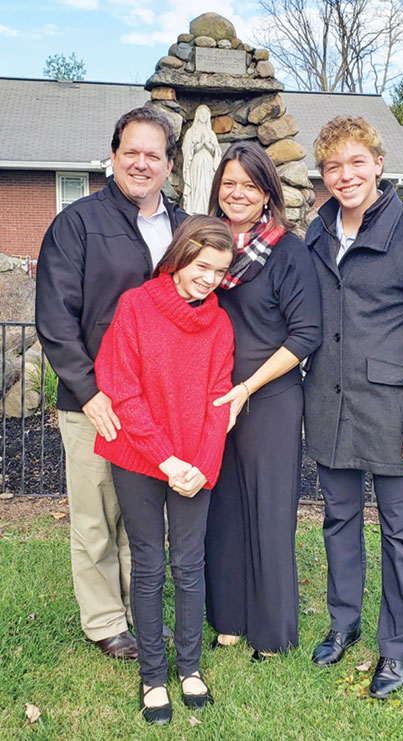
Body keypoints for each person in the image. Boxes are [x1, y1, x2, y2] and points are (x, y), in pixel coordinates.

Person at [303, 116, 403, 698]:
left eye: (355, 163)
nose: (345, 176)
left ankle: (394, 649)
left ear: (378, 164)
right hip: (329, 406)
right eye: (333, 167)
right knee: (338, 521)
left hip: (394, 416)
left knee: (399, 533)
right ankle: (344, 624)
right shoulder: (316, 234)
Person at [35, 107, 187, 659]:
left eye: (153, 154)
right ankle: (104, 621)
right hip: (95, 402)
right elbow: (55, 320)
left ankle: (139, 608)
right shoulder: (76, 224)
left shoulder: (183, 226)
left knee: (141, 517)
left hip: (156, 403)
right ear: (113, 157)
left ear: (169, 164)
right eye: (132, 153)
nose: (141, 164)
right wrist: (89, 390)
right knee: (97, 516)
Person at [94, 215, 235, 724]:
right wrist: (165, 457)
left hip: (194, 464)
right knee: (150, 564)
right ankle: (154, 675)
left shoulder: (219, 323)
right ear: (179, 257)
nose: (210, 278)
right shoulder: (135, 306)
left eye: (220, 271)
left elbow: (221, 400)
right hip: (138, 454)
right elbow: (121, 390)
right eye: (202, 266)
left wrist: (200, 464)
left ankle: (190, 666)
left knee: (189, 565)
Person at [204, 142, 322, 659]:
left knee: (270, 511)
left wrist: (246, 389)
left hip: (268, 398)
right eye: (229, 183)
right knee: (222, 508)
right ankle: (228, 616)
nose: (237, 193)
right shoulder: (205, 247)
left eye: (249, 185)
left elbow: (305, 334)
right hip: (212, 399)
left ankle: (272, 631)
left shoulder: (287, 252)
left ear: (267, 192)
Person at [182, 105, 221, 215]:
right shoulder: (191, 132)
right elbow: (185, 148)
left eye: (205, 114)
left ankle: (207, 210)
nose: (203, 116)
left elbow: (217, 150)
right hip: (196, 163)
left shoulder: (211, 133)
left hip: (208, 164)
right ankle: (194, 210)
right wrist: (196, 148)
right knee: (197, 187)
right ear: (197, 115)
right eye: (201, 114)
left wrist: (209, 146)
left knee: (207, 186)